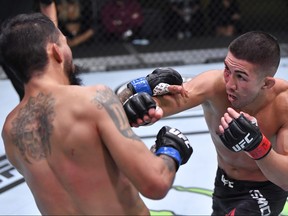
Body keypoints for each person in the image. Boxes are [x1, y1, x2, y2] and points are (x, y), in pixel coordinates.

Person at [0, 13, 193, 215]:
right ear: (56, 51)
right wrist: (171, 148)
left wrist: (128, 95)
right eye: (65, 43)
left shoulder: (11, 130)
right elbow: (155, 183)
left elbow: (72, 146)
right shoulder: (94, 98)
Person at [118, 31, 288, 215]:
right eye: (227, 70)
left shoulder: (283, 104)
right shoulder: (214, 85)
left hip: (267, 190)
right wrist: (142, 105)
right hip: (224, 184)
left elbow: (285, 179)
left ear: (266, 83)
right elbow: (163, 106)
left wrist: (257, 146)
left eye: (241, 76)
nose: (230, 83)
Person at [0, 0, 57, 101]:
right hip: (18, 38)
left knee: (31, 92)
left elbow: (47, 4)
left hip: (19, 40)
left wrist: (53, 39)